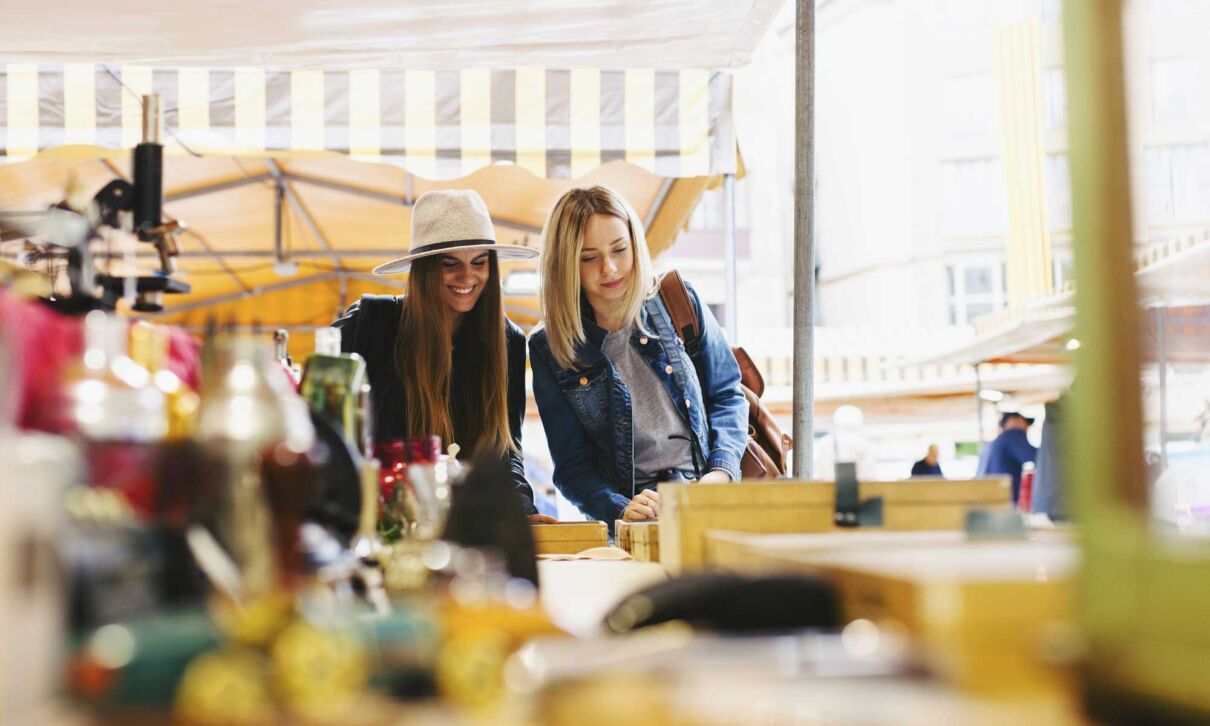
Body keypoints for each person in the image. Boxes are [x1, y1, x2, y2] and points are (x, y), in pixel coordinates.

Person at [528, 186, 749, 525]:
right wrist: (620, 508)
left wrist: (719, 474)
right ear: (564, 263)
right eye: (589, 257)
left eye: (620, 249)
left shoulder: (677, 298)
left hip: (706, 500)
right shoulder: (550, 347)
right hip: (634, 523)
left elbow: (728, 395)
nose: (610, 268)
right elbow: (573, 469)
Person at [332, 189, 554, 521]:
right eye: (450, 265)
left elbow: (506, 452)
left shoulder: (508, 341)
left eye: (479, 262)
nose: (467, 277)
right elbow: (320, 422)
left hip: (466, 532)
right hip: (377, 524)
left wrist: (521, 510)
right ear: (422, 271)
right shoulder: (371, 324)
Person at [978, 411, 1038, 502]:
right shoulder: (1012, 435)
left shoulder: (995, 442)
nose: (1027, 427)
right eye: (1025, 422)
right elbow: (1034, 456)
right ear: (1013, 420)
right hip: (1002, 496)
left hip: (989, 496)